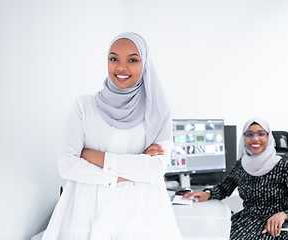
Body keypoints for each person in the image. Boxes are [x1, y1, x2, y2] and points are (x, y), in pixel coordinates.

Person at [42, 32, 183, 240]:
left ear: (145, 64)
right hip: (84, 214)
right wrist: (132, 167)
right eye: (113, 58)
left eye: (133, 60)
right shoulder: (84, 106)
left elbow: (155, 169)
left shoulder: (158, 111)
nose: (121, 67)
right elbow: (66, 164)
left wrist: (92, 156)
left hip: (140, 216)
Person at [182, 118, 288, 240]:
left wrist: (284, 215)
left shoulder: (285, 168)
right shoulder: (241, 165)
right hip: (245, 221)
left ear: (269, 138)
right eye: (249, 134)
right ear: (244, 138)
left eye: (261, 134)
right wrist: (208, 193)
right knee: (211, 234)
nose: (255, 139)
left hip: (274, 228)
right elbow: (224, 188)